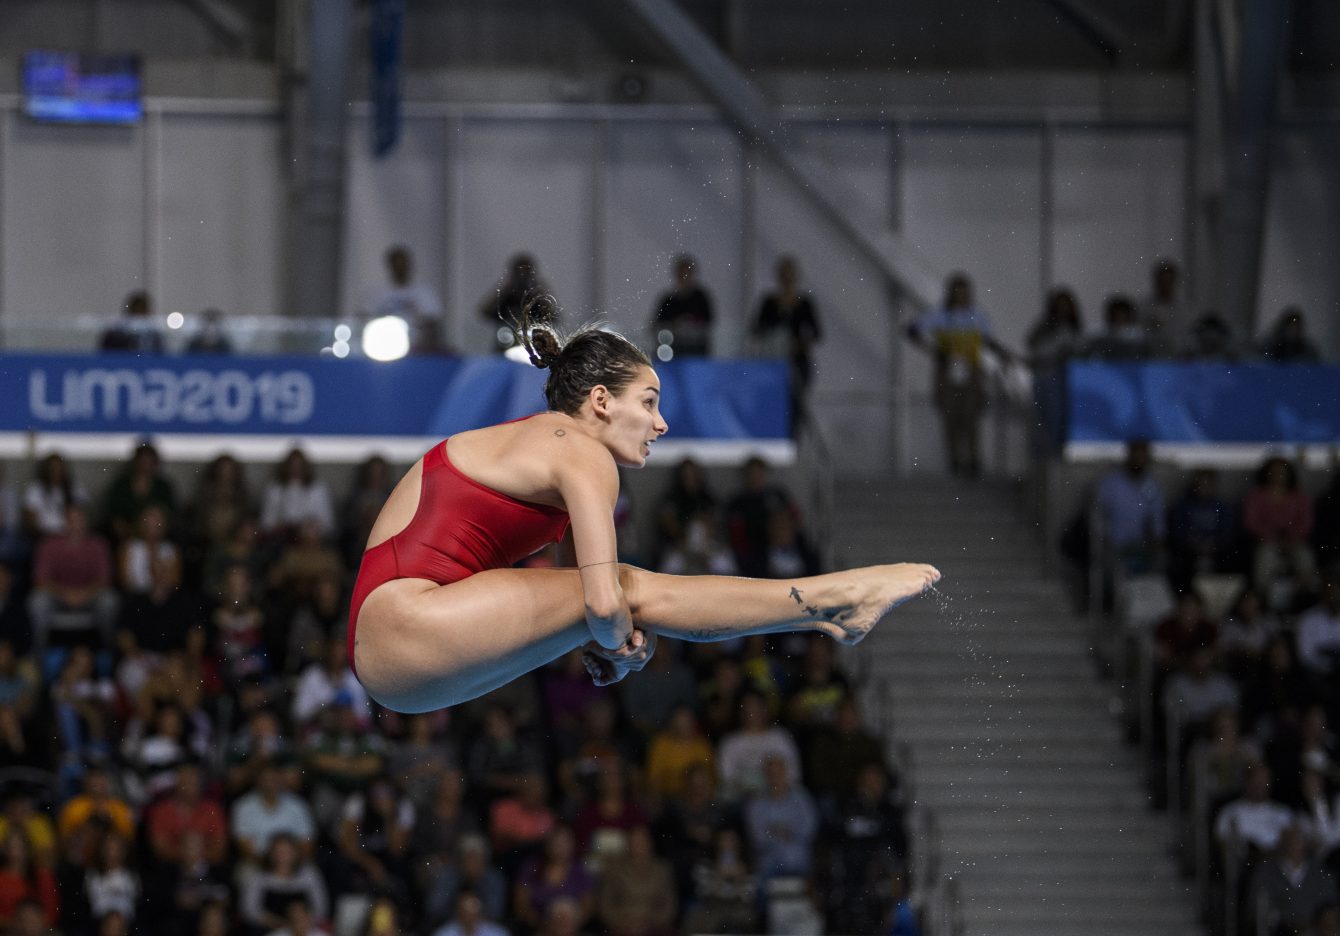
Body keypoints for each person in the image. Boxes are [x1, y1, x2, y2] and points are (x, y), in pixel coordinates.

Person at [347, 298, 940, 714]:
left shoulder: (544, 445)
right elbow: (606, 601)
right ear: (601, 401)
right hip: (406, 627)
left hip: (397, 657)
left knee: (622, 594)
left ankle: (830, 607)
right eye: (650, 402)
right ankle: (831, 601)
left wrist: (612, 644)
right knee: (630, 586)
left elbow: (583, 603)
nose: (661, 423)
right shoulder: (578, 451)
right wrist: (619, 634)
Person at [905, 273, 1014, 478]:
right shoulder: (940, 315)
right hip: (947, 371)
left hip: (971, 371)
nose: (960, 296)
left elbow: (988, 341)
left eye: (963, 293)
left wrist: (1004, 356)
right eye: (957, 292)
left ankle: (973, 460)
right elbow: (912, 330)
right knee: (950, 416)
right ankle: (955, 459)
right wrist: (933, 350)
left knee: (971, 416)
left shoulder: (977, 316)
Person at [750, 255, 822, 433]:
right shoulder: (769, 301)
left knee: (794, 406)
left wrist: (800, 344)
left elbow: (817, 333)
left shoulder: (804, 303)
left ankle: (791, 444)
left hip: (796, 360)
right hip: (772, 360)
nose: (787, 279)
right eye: (784, 275)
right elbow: (756, 329)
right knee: (770, 403)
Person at [362, 246, 447, 355]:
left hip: (417, 348)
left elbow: (433, 322)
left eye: (403, 263)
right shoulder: (377, 293)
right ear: (390, 266)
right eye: (396, 264)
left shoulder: (424, 293)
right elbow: (364, 318)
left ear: (409, 265)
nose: (400, 268)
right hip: (383, 346)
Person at [477, 254, 546, 353]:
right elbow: (485, 311)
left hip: (532, 348)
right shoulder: (507, 296)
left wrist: (539, 291)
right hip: (505, 346)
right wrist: (505, 289)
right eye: (519, 273)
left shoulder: (535, 297)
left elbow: (552, 315)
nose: (522, 278)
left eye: (526, 273)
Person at [650, 254, 714, 358]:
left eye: (687, 273)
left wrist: (691, 324)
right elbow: (655, 325)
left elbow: (708, 322)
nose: (684, 277)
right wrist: (674, 325)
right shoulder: (669, 300)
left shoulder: (700, 298)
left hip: (697, 349)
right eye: (682, 273)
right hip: (673, 351)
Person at [99, 290, 164, 354]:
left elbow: (159, 350)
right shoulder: (117, 327)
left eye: (141, 309)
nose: (138, 311)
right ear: (131, 308)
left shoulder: (152, 328)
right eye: (137, 308)